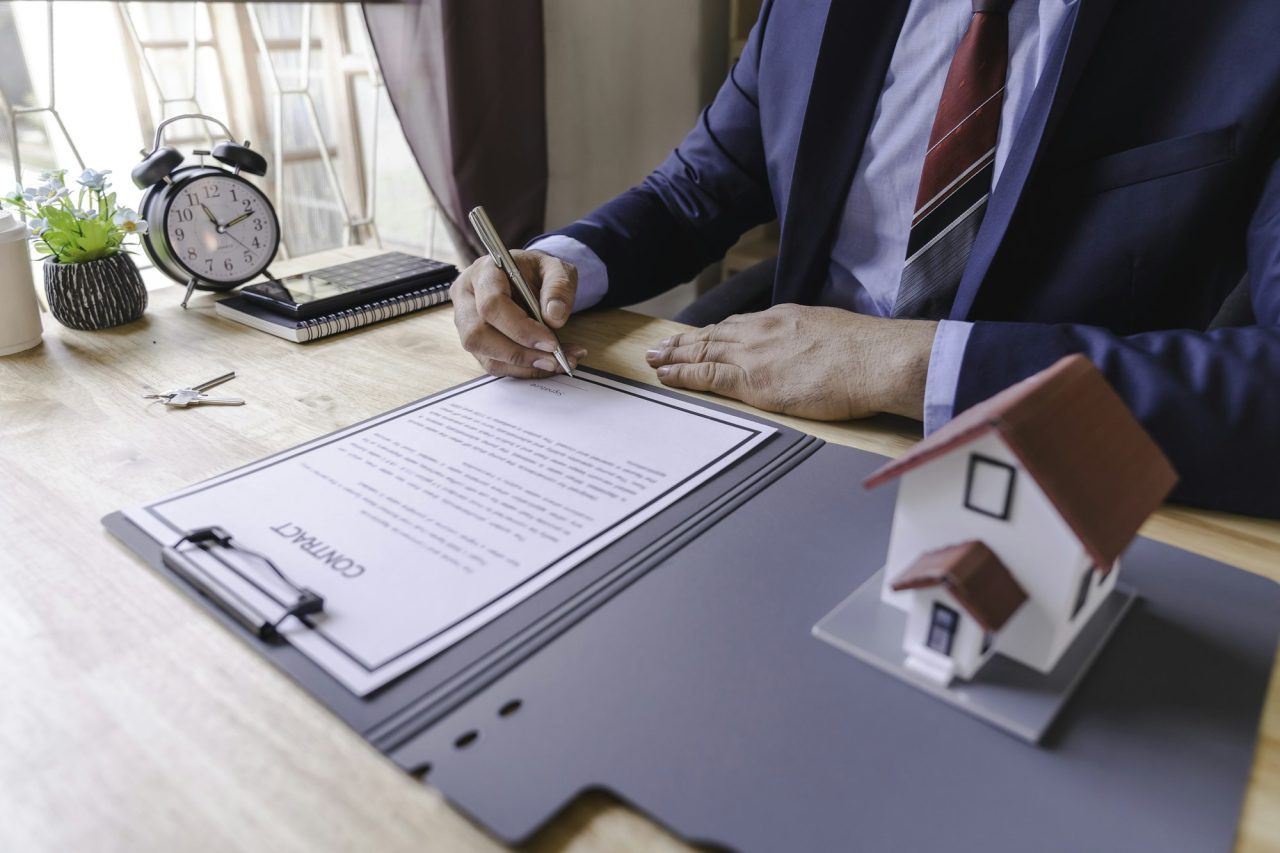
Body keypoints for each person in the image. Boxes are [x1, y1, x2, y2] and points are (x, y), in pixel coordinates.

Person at [450, 0, 1280, 518]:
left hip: (1037, 487)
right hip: (771, 412)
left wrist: (902, 365)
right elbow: (698, 187)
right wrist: (559, 261)